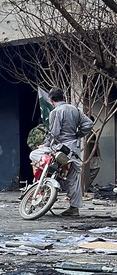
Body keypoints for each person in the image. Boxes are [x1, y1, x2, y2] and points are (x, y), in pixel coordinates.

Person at [29, 86, 94, 217]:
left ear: (51, 99)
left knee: (34, 154)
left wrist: (45, 145)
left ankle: (48, 179)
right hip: (73, 148)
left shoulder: (56, 111)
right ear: (63, 97)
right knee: (74, 178)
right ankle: (74, 208)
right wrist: (77, 135)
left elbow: (55, 133)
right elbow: (89, 124)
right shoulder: (75, 109)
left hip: (59, 147)